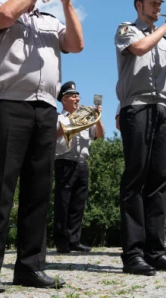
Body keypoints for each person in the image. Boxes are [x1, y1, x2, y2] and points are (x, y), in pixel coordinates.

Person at [0, 0, 84, 293]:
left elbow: (77, 45)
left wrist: (66, 1)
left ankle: (30, 267)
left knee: (39, 193)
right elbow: (9, 13)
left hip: (45, 109)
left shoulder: (50, 19)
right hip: (9, 106)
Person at [115, 0, 166, 276]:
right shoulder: (127, 29)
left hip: (161, 111)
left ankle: (156, 251)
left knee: (159, 181)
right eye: (154, 2)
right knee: (135, 179)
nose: (159, 7)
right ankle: (133, 253)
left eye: (161, 3)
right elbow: (138, 48)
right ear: (139, 4)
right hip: (136, 108)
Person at [54, 81, 103, 254]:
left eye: (78, 95)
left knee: (78, 204)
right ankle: (61, 241)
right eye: (73, 96)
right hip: (64, 161)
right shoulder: (59, 118)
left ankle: (74, 240)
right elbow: (55, 135)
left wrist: (98, 118)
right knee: (63, 202)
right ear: (64, 99)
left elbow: (99, 135)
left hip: (82, 163)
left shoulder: (85, 117)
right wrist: (70, 124)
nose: (78, 98)